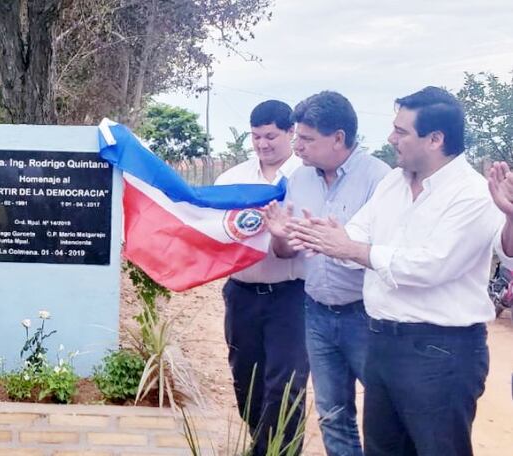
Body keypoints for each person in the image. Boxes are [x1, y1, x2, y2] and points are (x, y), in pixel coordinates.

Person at [287, 86, 500, 455]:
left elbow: (430, 265)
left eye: (401, 132)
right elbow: (357, 233)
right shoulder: (393, 185)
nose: (391, 139)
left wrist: (350, 247)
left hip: (440, 353)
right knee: (383, 449)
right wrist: (325, 237)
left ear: (435, 139)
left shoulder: (472, 194)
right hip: (383, 342)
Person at [262, 91, 389, 456]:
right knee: (333, 414)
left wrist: (342, 245)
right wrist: (281, 237)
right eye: (297, 137)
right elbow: (284, 252)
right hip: (316, 312)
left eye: (306, 139)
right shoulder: (299, 180)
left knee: (384, 412)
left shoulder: (380, 181)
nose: (297, 147)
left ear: (338, 138)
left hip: (366, 317)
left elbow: (389, 254)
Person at [214, 100, 307, 453]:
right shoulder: (232, 179)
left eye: (270, 136)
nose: (262, 144)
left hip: (292, 296)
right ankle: (262, 443)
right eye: (256, 137)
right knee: (246, 381)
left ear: (290, 132)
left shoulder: (305, 178)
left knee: (286, 384)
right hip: (242, 294)